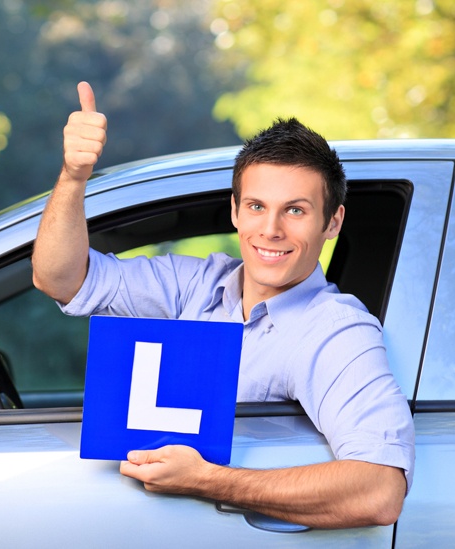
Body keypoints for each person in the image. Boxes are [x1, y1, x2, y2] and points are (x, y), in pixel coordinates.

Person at [31, 81, 414, 529]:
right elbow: (59, 278)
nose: (270, 229)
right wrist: (74, 177)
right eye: (256, 206)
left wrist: (208, 480)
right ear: (235, 211)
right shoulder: (193, 283)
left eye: (295, 211)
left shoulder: (334, 330)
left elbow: (379, 492)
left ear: (332, 221)